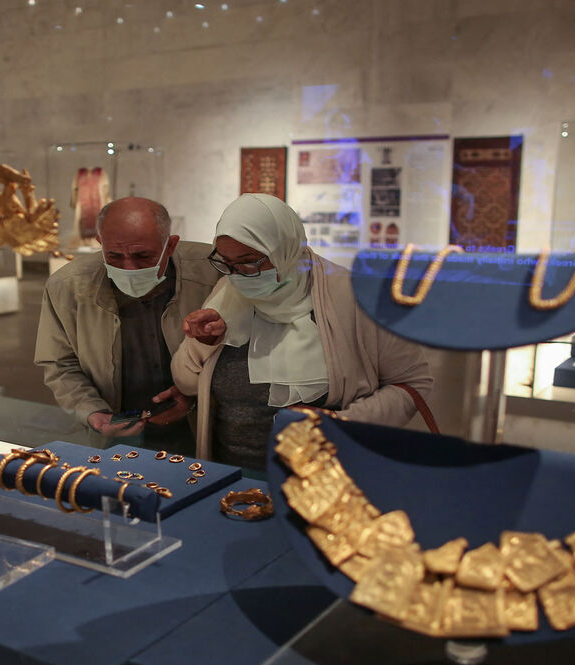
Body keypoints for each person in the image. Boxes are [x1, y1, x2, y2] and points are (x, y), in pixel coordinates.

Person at [165, 193, 433, 470]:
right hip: (233, 476)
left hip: (330, 482)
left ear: (286, 249)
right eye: (227, 263)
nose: (237, 275)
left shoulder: (355, 297)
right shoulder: (228, 292)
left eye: (249, 261)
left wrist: (338, 424)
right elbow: (186, 382)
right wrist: (206, 341)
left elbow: (413, 383)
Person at [35, 196, 221, 443]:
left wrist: (194, 393)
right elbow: (59, 364)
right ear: (100, 243)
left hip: (201, 431)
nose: (129, 268)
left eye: (143, 256)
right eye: (114, 256)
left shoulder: (212, 271)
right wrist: (92, 412)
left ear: (171, 245)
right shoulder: (68, 286)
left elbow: (241, 353)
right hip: (116, 433)